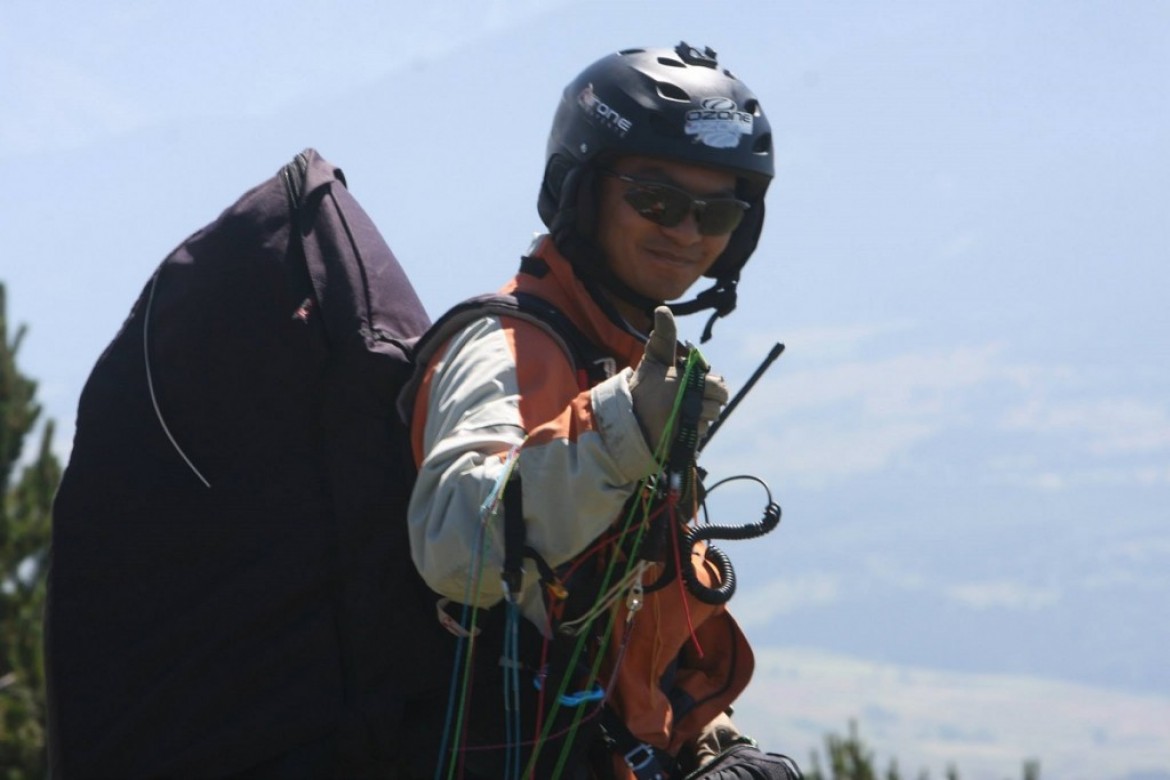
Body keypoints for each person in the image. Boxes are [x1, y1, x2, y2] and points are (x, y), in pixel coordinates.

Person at [403, 43, 802, 779]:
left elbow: (626, 604)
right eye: (657, 201)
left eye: (716, 213)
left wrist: (707, 741)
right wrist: (625, 431)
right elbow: (456, 545)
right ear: (581, 193)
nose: (685, 233)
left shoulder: (620, 355)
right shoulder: (509, 348)